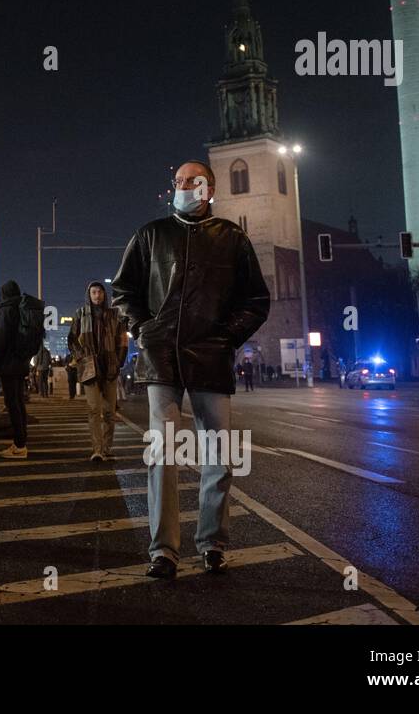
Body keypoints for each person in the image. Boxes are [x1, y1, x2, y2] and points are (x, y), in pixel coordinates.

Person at [114, 160, 270, 579]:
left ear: (209, 188)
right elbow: (123, 290)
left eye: (192, 181)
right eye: (178, 181)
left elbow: (256, 300)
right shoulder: (151, 234)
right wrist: (143, 329)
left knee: (219, 454)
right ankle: (163, 550)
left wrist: (227, 337)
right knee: (162, 453)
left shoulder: (232, 238)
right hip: (161, 356)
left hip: (211, 356)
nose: (183, 186)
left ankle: (213, 542)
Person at [67, 280, 129, 463]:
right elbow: (72, 339)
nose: (97, 295)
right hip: (90, 368)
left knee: (109, 412)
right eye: (93, 292)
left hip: (109, 367)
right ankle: (97, 449)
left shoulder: (114, 314)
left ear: (104, 295)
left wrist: (118, 362)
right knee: (94, 409)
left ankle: (107, 447)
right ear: (89, 294)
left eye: (100, 292)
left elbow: (122, 340)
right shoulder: (81, 314)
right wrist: (80, 357)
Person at [0, 280, 43, 459]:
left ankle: (19, 445)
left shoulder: (7, 309)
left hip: (8, 364)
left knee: (13, 404)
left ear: (4, 294)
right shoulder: (22, 308)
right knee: (19, 402)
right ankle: (21, 441)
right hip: (21, 362)